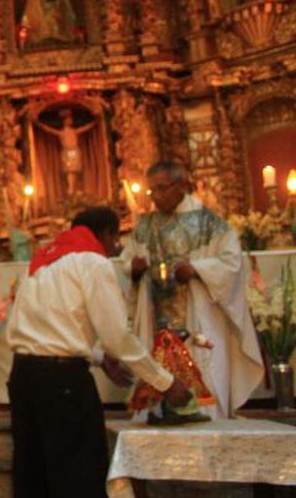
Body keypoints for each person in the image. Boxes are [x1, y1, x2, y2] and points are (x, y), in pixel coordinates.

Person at [7, 207, 190, 498]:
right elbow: (116, 336)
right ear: (106, 233)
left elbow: (42, 327)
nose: (117, 246)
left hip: (23, 377)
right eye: (117, 238)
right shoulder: (92, 261)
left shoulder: (41, 261)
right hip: (62, 383)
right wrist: (165, 382)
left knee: (33, 477)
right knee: (79, 476)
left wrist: (99, 358)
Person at [122, 160, 264, 419]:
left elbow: (233, 262)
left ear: (181, 185)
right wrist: (133, 268)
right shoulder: (144, 225)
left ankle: (207, 418)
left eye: (162, 188)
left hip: (198, 315)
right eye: (152, 190)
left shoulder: (208, 222)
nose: (156, 196)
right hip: (157, 315)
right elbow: (125, 261)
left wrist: (198, 269)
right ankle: (159, 414)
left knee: (201, 371)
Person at [35, 108, 96, 197]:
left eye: (71, 119)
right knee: (70, 171)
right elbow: (48, 129)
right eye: (68, 119)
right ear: (64, 121)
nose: (70, 121)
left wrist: (93, 123)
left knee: (75, 171)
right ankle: (70, 189)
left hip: (74, 151)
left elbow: (84, 128)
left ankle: (73, 189)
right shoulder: (62, 132)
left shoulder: (74, 131)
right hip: (68, 151)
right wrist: (38, 124)